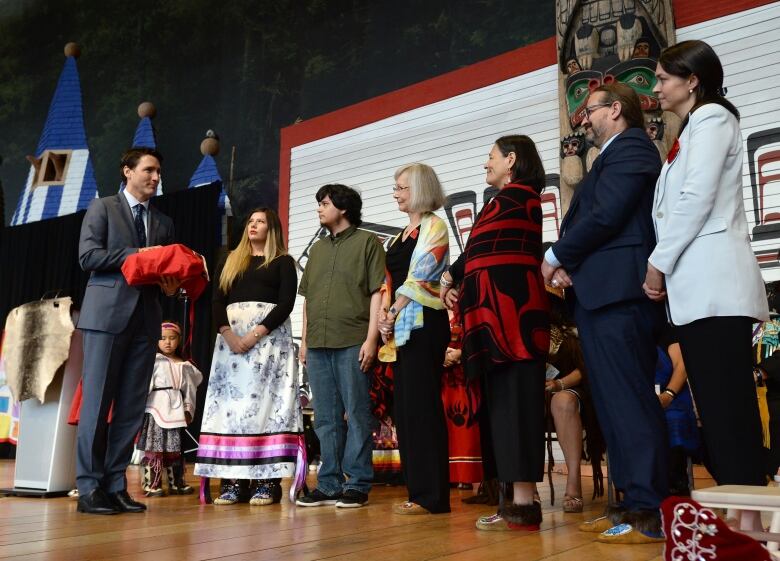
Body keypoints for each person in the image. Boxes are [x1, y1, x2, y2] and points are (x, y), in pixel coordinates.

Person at [644, 39, 770, 532]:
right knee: (716, 415)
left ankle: (753, 527)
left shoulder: (714, 119)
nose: (656, 87)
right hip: (697, 292)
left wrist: (658, 263)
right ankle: (745, 521)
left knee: (730, 413)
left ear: (692, 80)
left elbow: (696, 199)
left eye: (662, 77)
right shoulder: (693, 128)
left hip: (716, 286)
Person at [541, 82, 667, 544]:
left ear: (616, 109)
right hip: (600, 294)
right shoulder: (609, 157)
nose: (583, 120)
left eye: (589, 110)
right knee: (613, 406)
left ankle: (648, 511)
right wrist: (573, 264)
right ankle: (627, 500)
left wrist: (555, 257)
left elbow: (607, 215)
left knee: (630, 403)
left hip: (620, 295)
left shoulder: (633, 148)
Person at [441, 135, 550, 531]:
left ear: (511, 160)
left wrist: (457, 276)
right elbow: (475, 254)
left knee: (517, 406)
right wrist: (453, 277)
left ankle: (523, 502)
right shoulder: (500, 202)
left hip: (514, 320)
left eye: (490, 157)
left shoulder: (523, 199)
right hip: (493, 320)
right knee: (501, 409)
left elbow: (486, 253)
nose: (485, 165)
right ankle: (510, 500)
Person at [76, 147, 178, 515]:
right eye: (148, 170)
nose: (155, 177)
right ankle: (88, 489)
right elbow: (88, 257)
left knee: (132, 410)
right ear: (127, 171)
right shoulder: (102, 207)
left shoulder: (164, 222)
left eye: (158, 172)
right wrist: (139, 254)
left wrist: (170, 283)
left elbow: (164, 272)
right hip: (105, 319)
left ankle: (115, 485)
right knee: (97, 405)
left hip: (146, 322)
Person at [194, 208, 302, 506]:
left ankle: (267, 481)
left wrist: (255, 334)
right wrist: (228, 335)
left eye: (260, 222)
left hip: (267, 344)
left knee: (264, 407)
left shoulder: (282, 262)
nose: (253, 226)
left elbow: (286, 303)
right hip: (231, 348)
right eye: (250, 221)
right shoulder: (230, 261)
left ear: (272, 229)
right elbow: (217, 300)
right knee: (232, 410)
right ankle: (232, 481)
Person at [296, 184, 385, 509]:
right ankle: (329, 484)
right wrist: (304, 341)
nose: (319, 209)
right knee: (325, 418)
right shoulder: (318, 249)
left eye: (324, 203)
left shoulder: (367, 242)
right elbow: (307, 300)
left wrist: (372, 339)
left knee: (357, 414)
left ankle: (358, 483)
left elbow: (378, 291)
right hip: (318, 343)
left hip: (353, 341)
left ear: (343, 208)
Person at [377, 163, 451, 515]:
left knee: (423, 410)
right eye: (395, 187)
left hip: (424, 326)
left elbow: (420, 277)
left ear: (420, 189)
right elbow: (390, 282)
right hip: (402, 329)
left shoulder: (435, 226)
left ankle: (434, 496)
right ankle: (418, 490)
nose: (396, 193)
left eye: (402, 187)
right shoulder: (399, 235)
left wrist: (391, 314)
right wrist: (383, 316)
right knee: (405, 412)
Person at [544, 287, 604, 514]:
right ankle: (524, 490)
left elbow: (586, 366)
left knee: (563, 401)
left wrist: (560, 384)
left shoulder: (575, 329)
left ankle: (574, 479)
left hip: (574, 389)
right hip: (536, 394)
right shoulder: (527, 329)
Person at [138, 321, 202, 497]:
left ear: (179, 340)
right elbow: (144, 385)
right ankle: (152, 482)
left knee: (175, 447)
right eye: (163, 338)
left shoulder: (185, 365)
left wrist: (188, 409)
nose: (167, 342)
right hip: (156, 409)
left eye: (172, 338)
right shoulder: (154, 361)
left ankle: (177, 482)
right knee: (155, 446)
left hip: (175, 409)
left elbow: (190, 389)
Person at [441, 309, 483, 489]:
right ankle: (450, 476)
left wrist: (461, 354)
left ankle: (474, 476)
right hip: (441, 378)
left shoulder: (467, 303)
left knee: (470, 428)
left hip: (470, 376)